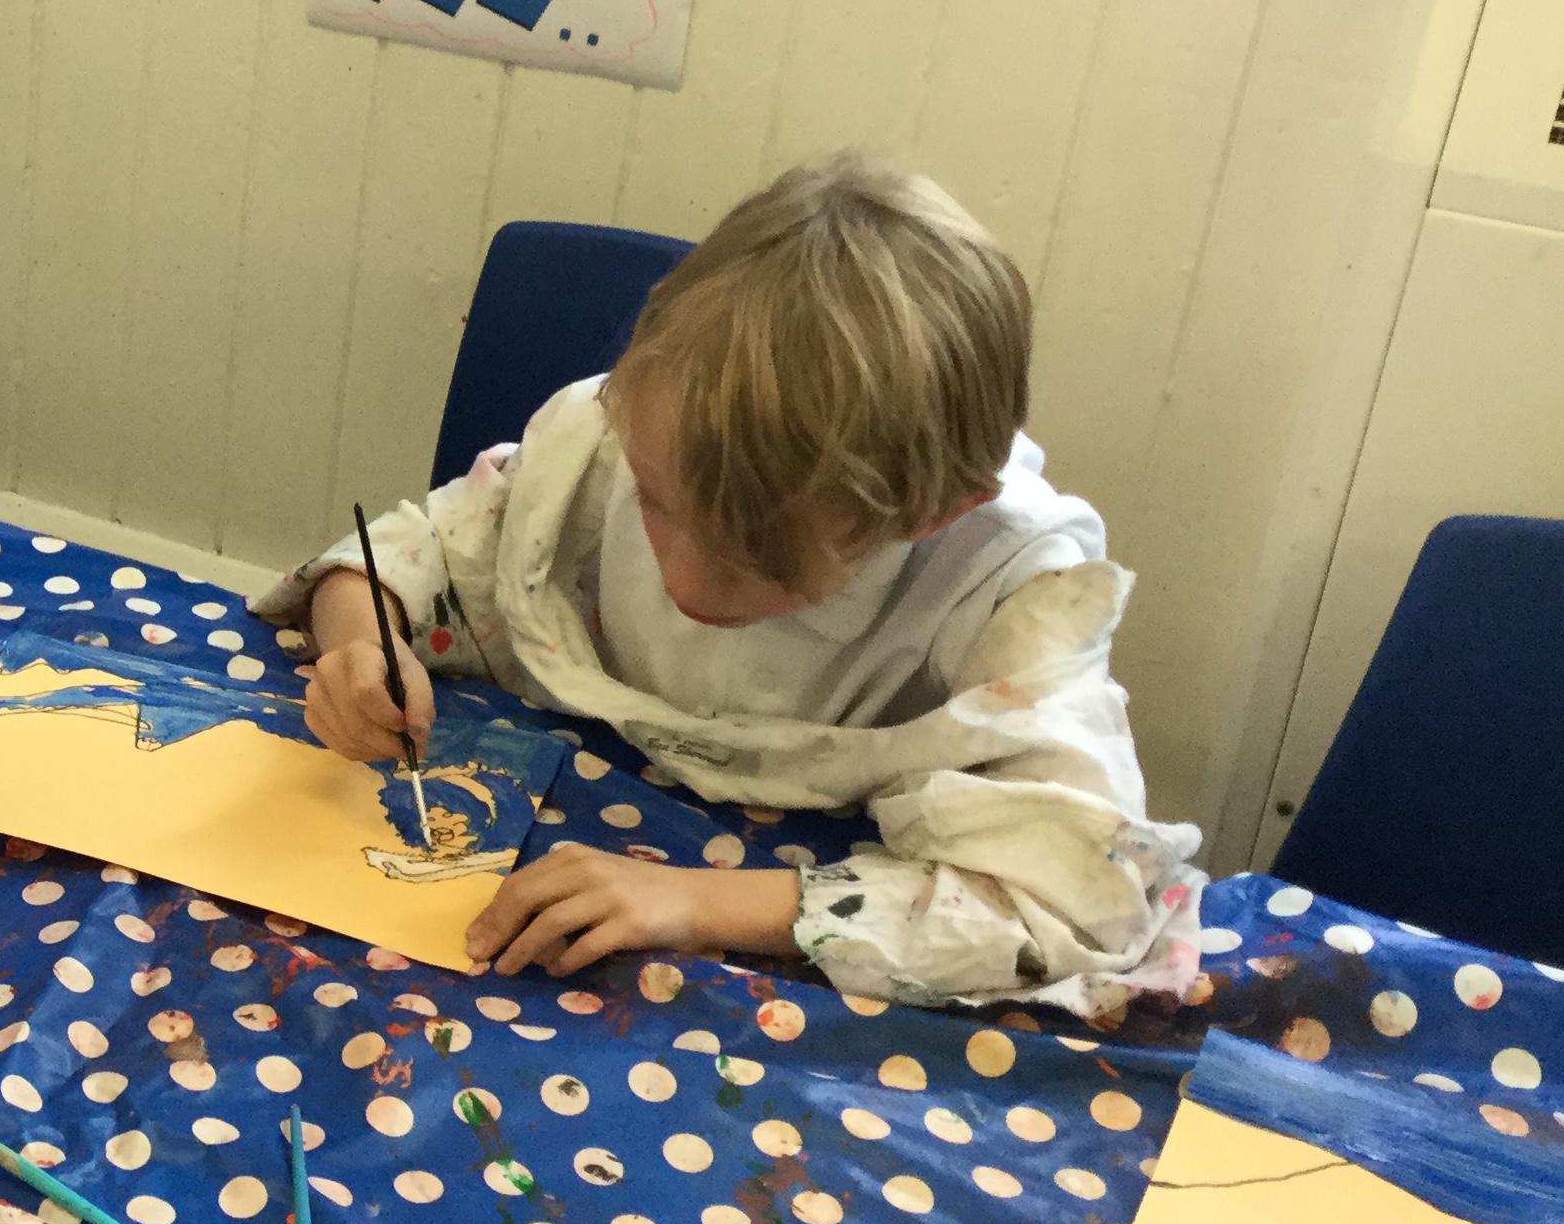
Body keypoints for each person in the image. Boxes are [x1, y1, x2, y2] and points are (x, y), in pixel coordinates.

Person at [263, 154, 1202, 1015]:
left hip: (770, 910)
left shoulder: (1013, 588)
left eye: (757, 559)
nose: (681, 581)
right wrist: (362, 641)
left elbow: (1077, 901)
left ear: (932, 514)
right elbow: (416, 553)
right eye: (657, 505)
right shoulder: (619, 432)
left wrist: (692, 901)